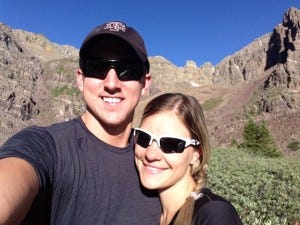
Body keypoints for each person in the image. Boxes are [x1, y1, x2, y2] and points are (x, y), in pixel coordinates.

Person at [0, 21, 161, 225]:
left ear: (145, 84)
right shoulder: (46, 147)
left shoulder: (158, 159)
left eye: (127, 70)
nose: (111, 84)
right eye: (97, 67)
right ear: (80, 79)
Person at [134, 93, 243, 225]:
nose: (151, 155)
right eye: (143, 137)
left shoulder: (214, 214)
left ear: (196, 155)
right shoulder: (151, 214)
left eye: (171, 144)